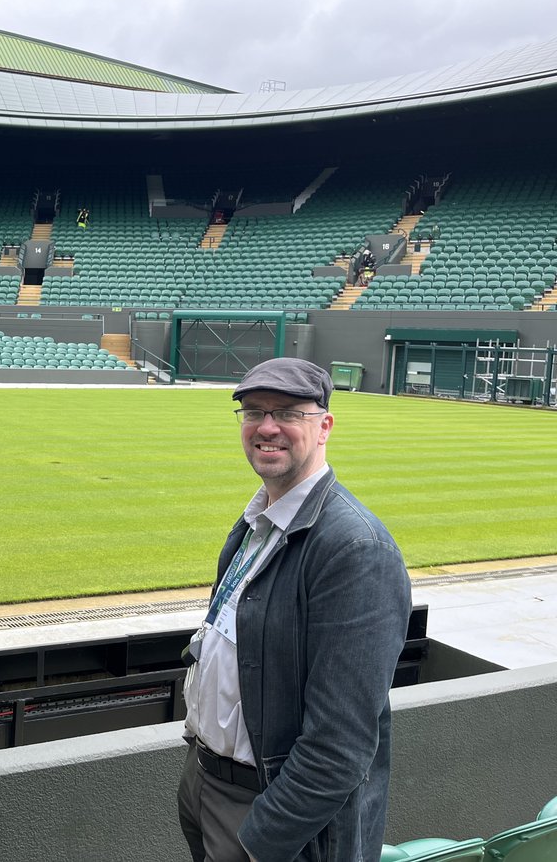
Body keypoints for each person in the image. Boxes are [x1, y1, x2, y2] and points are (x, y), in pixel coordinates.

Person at [177, 358, 411, 862]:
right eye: (253, 412)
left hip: (265, 816)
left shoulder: (356, 549)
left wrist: (258, 843)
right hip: (207, 784)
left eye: (288, 412)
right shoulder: (256, 521)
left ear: (324, 426)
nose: (266, 427)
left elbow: (340, 744)